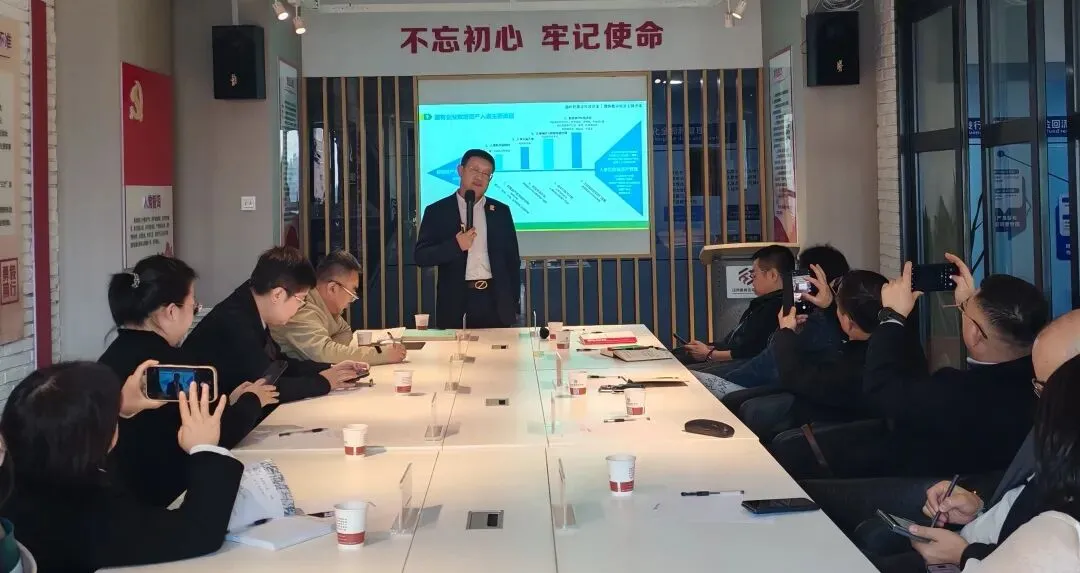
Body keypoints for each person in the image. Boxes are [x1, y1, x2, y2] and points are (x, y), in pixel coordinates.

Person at [843, 309, 1080, 572]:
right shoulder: (1055, 433)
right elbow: (1021, 498)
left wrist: (965, 554)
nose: (1041, 401)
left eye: (1045, 387)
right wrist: (978, 506)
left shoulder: (964, 392)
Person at [0, 363, 242, 572]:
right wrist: (204, 448)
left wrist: (121, 411)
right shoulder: (90, 517)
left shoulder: (13, 483)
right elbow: (197, 532)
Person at [99, 255, 278, 507]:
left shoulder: (106, 361)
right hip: (168, 497)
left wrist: (230, 401)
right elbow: (212, 435)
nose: (194, 313)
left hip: (118, 497)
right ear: (172, 311)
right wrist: (252, 401)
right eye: (193, 306)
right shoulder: (174, 365)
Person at [185, 246, 367, 403]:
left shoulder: (249, 305)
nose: (300, 308)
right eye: (301, 300)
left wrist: (330, 369)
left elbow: (278, 364)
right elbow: (268, 386)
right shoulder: (236, 322)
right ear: (278, 294)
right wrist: (325, 382)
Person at [734, 269, 891, 437]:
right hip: (825, 410)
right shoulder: (888, 345)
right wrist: (829, 305)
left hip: (819, 429)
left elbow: (795, 377)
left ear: (848, 322)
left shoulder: (853, 370)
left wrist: (785, 332)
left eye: (839, 307)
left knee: (750, 411)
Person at [415, 149, 521, 329]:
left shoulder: (501, 211)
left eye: (486, 173)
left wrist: (513, 302)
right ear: (460, 170)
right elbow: (421, 256)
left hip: (495, 301)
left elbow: (512, 260)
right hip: (456, 301)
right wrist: (456, 245)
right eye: (474, 169)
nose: (480, 177)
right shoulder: (437, 211)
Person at [681, 244, 794, 394]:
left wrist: (709, 354)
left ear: (773, 275)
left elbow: (750, 351)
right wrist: (708, 349)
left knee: (684, 377)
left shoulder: (776, 307)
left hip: (742, 369)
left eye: (754, 275)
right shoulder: (763, 304)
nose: (751, 280)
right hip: (735, 363)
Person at [271, 250, 406, 366]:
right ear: (332, 288)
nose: (353, 298)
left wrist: (335, 352)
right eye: (352, 292)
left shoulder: (324, 307)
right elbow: (324, 353)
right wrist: (382, 354)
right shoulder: (300, 307)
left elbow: (344, 331)